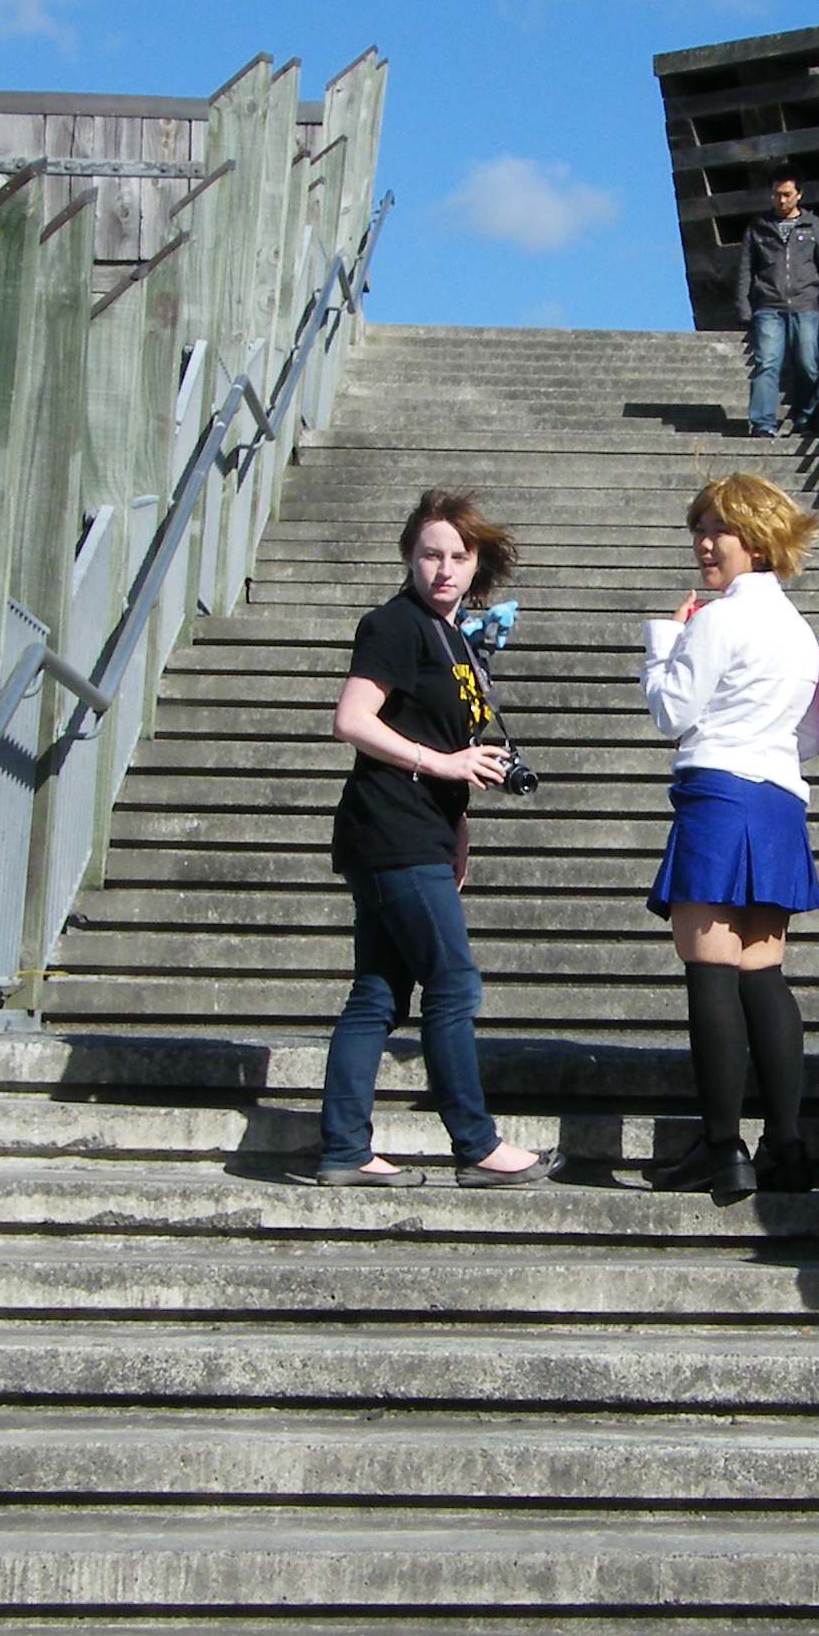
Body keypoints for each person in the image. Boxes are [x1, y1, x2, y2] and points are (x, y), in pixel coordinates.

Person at [315, 488, 552, 1189]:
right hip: (392, 828)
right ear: (408, 559)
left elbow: (449, 741)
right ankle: (476, 1144)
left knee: (378, 995)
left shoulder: (453, 636)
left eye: (458, 556)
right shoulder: (395, 625)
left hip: (420, 831)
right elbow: (352, 719)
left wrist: (460, 824)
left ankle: (344, 1148)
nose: (444, 569)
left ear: (476, 563)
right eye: (429, 555)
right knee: (452, 982)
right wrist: (441, 764)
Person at [639, 473, 819, 1203]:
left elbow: (671, 713)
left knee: (710, 972)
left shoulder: (717, 620)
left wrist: (665, 642)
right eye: (700, 528)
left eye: (718, 529)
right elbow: (812, 738)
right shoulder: (801, 632)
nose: (704, 542)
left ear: (755, 537)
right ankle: (787, 1146)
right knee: (763, 974)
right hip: (778, 799)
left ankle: (722, 1150)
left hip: (719, 793)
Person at [734, 176, 819, 438]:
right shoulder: (758, 227)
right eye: (775, 194)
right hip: (768, 305)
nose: (780, 200)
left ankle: (806, 419)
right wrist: (743, 308)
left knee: (807, 364)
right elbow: (745, 269)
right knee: (767, 363)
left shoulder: (814, 226)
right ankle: (763, 423)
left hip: (805, 305)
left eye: (786, 194)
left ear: (799, 194)